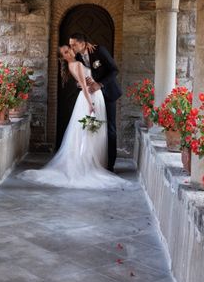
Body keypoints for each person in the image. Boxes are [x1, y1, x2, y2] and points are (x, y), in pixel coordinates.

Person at [18, 46, 134, 190]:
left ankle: (95, 161)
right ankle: (89, 162)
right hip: (90, 97)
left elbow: (83, 80)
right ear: (64, 57)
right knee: (90, 130)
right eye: (66, 52)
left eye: (69, 48)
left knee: (90, 130)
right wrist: (90, 104)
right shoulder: (77, 64)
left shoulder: (73, 63)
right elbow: (84, 87)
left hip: (93, 96)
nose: (71, 51)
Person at [68, 32, 121, 172]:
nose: (71, 47)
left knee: (109, 128)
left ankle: (110, 165)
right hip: (91, 97)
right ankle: (91, 160)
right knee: (90, 127)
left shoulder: (99, 50)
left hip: (107, 93)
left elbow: (115, 70)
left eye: (74, 44)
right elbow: (78, 75)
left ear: (82, 43)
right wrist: (79, 84)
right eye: (70, 44)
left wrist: (100, 84)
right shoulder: (77, 56)